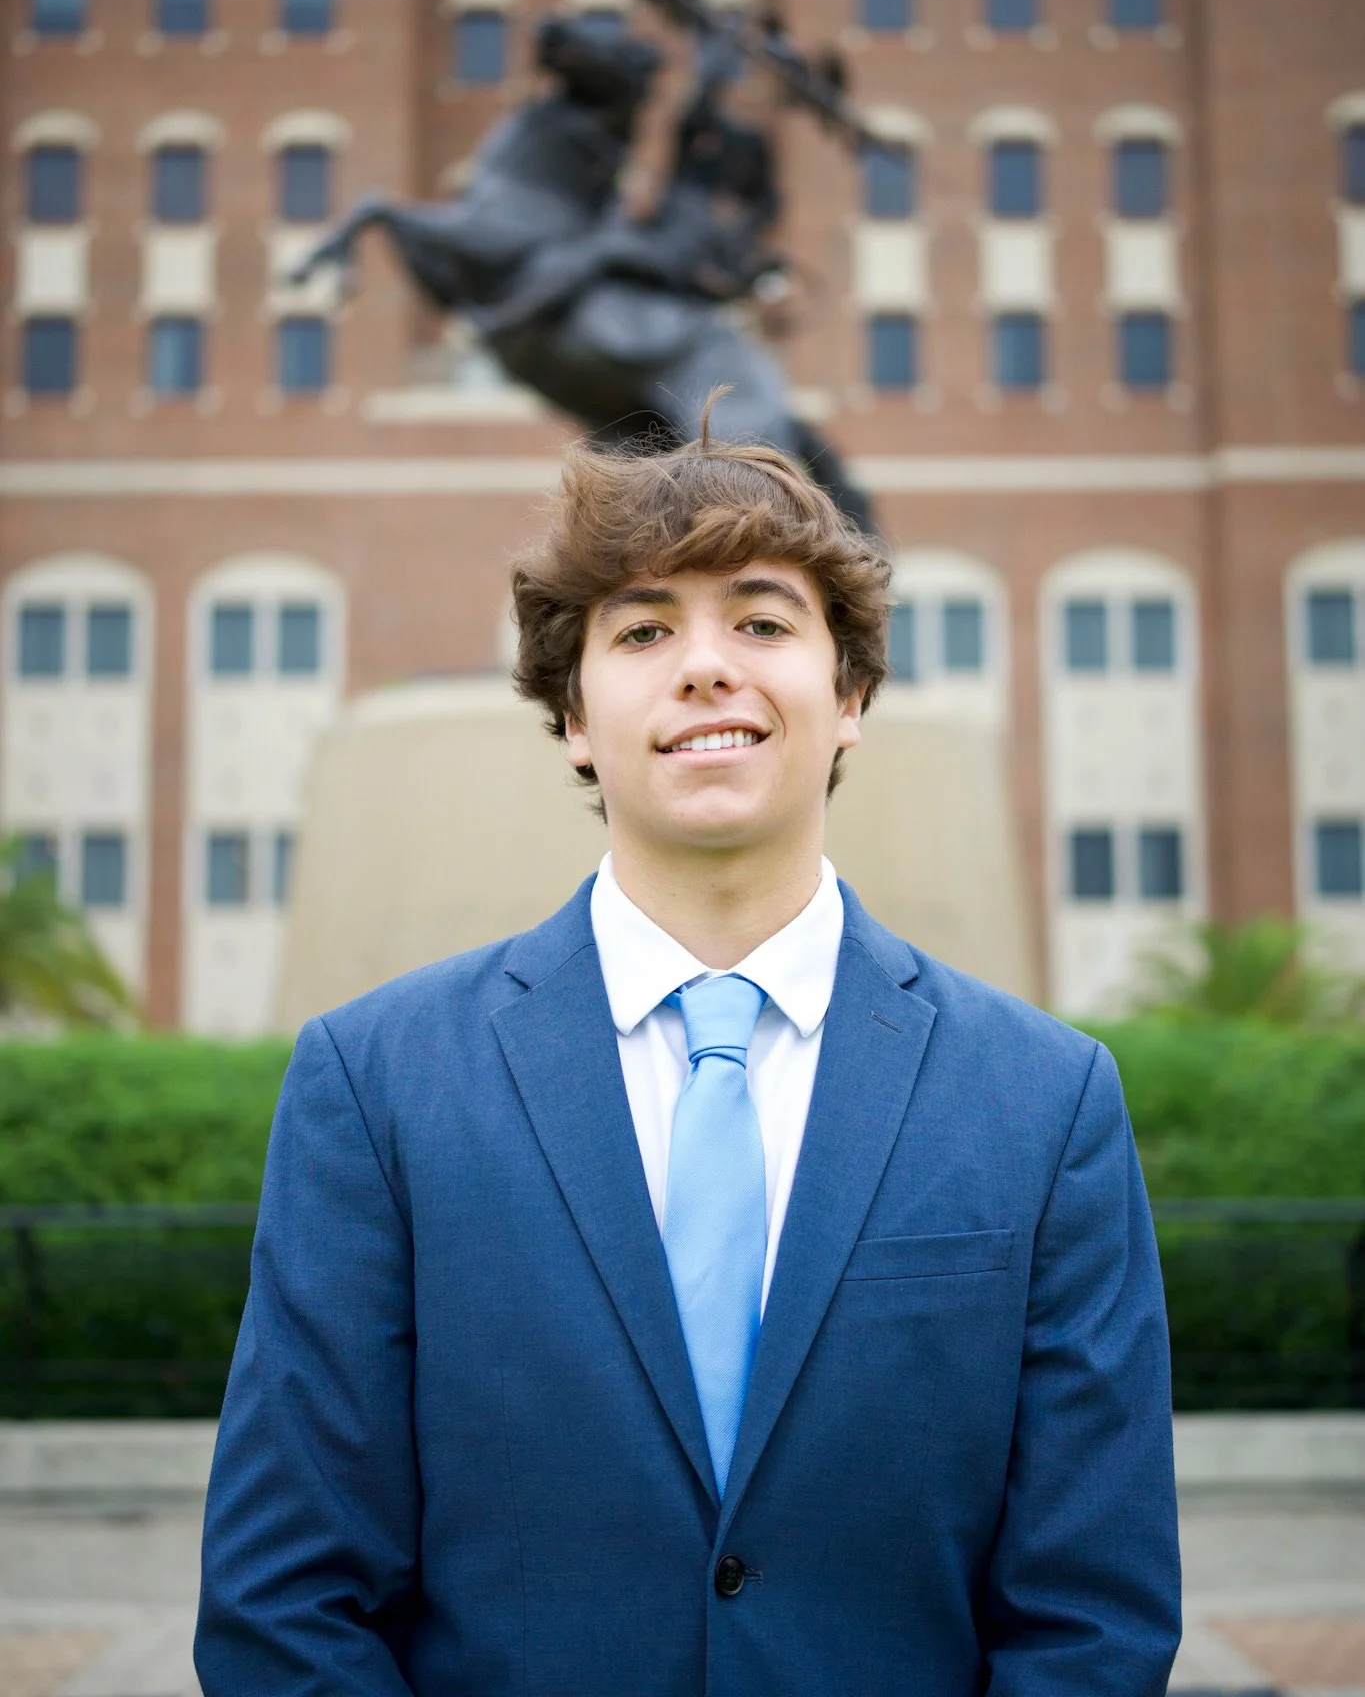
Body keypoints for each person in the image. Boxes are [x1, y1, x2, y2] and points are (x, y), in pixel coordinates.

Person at [195, 421, 1181, 1696]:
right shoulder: (374, 1082)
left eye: (763, 624)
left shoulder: (1047, 1101)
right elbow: (285, 1598)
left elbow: (1093, 1617)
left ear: (853, 698)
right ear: (573, 719)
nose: (707, 666)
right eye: (644, 631)